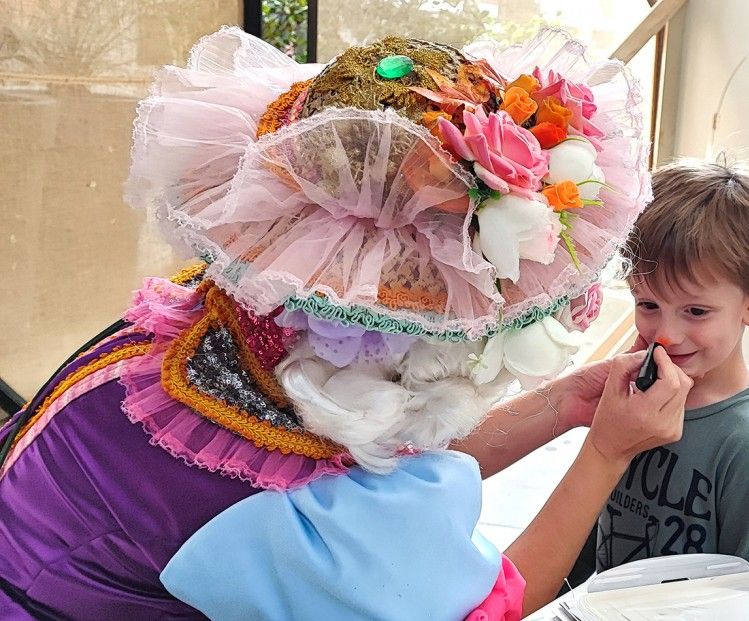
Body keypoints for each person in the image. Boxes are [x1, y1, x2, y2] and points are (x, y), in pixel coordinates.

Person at [0, 27, 690, 620]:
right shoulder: (291, 511)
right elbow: (483, 605)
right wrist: (606, 454)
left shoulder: (229, 316)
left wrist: (563, 405)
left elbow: (375, 453)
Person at [567, 159, 749, 587]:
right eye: (648, 305)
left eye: (695, 311)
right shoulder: (633, 396)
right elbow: (585, 520)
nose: (666, 335)